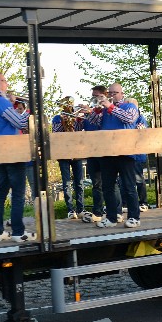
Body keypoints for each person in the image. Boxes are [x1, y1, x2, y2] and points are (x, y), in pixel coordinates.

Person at [0, 72, 32, 242]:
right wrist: (27, 109)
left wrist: (12, 106)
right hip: (12, 152)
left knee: (1, 193)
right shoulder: (0, 101)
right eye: (3, 80)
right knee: (18, 194)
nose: (7, 83)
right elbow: (20, 123)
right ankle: (18, 232)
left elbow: (3, 121)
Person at [88, 83, 141, 228]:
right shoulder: (104, 110)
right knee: (108, 187)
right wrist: (97, 111)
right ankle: (111, 218)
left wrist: (109, 106)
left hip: (125, 152)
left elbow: (129, 119)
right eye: (109, 93)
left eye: (114, 93)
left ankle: (134, 217)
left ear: (121, 93)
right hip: (107, 153)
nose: (111, 95)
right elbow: (92, 122)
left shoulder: (130, 106)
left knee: (129, 187)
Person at [80, 85, 118, 222]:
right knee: (96, 184)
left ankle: (117, 211)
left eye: (96, 95)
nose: (93, 98)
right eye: (93, 96)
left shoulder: (105, 110)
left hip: (104, 150)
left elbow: (100, 122)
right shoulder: (91, 112)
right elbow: (80, 128)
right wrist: (80, 116)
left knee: (110, 183)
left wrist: (92, 111)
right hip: (91, 151)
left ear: (103, 95)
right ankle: (98, 212)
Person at [51, 98, 85, 219]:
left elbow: (81, 129)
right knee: (66, 183)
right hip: (63, 154)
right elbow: (55, 133)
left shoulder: (77, 117)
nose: (68, 107)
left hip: (76, 152)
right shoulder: (56, 118)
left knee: (79, 183)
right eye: (66, 105)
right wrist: (62, 122)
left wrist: (77, 119)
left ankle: (81, 208)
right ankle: (70, 210)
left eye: (70, 104)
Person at [122, 98, 149, 212]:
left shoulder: (140, 118)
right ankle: (125, 203)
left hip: (137, 154)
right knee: (124, 180)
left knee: (138, 179)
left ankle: (143, 202)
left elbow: (142, 132)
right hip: (127, 153)